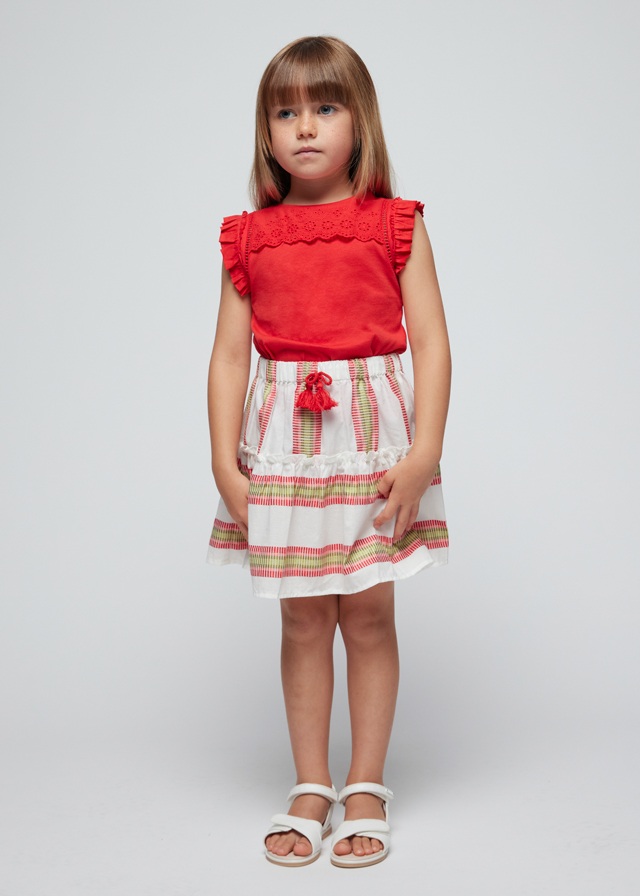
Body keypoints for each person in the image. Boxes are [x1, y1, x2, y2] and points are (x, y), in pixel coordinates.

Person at [206, 35, 451, 868]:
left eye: (325, 107)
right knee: (303, 616)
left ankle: (366, 783)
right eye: (286, 112)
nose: (304, 126)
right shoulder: (250, 237)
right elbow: (229, 358)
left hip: (373, 442)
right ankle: (311, 782)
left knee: (370, 614)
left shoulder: (396, 225)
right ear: (267, 133)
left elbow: (432, 343)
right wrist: (224, 464)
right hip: (286, 445)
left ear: (360, 121)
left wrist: (424, 453)